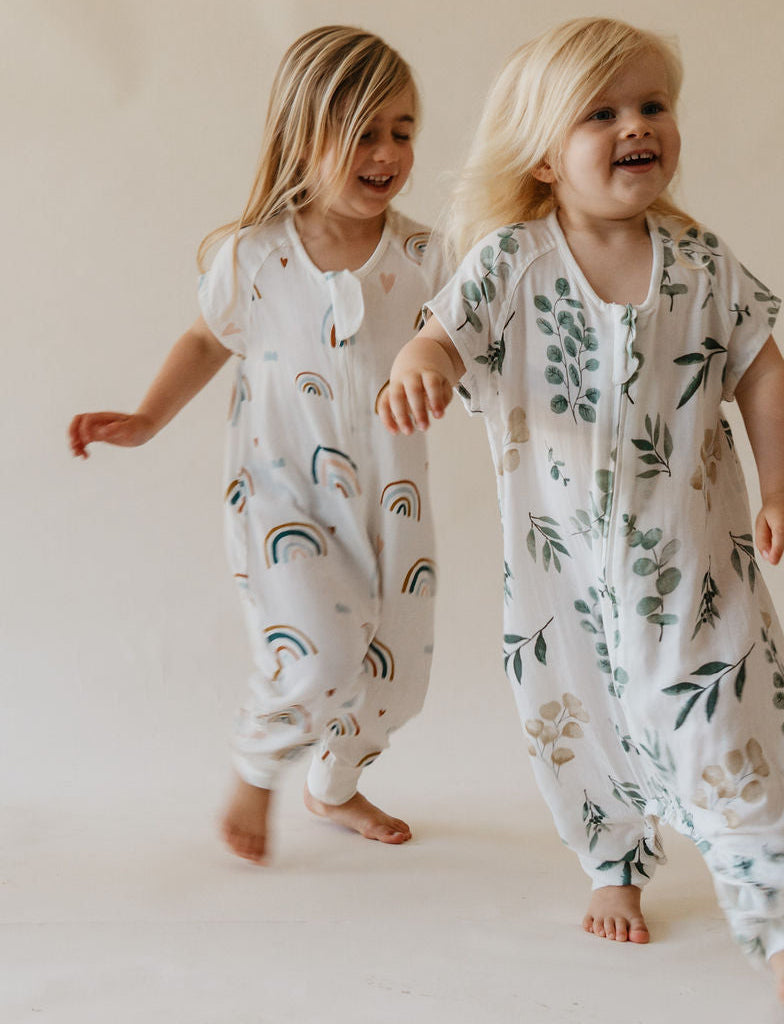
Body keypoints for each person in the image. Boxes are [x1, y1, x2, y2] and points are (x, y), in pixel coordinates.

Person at [379, 17, 784, 1017]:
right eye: (601, 114)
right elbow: (440, 336)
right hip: (562, 582)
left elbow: (763, 375)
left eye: (651, 106)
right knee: (575, 721)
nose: (636, 126)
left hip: (697, 571)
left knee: (735, 727)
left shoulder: (702, 263)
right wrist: (418, 369)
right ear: (543, 157)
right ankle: (612, 861)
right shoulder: (510, 261)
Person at [68, 26, 440, 865]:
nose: (388, 153)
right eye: (364, 134)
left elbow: (462, 346)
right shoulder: (255, 256)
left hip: (393, 504)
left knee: (397, 681)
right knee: (319, 654)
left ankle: (333, 787)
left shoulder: (426, 256)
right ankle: (257, 765)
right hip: (282, 497)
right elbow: (208, 340)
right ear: (304, 139)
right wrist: (146, 418)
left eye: (403, 131)